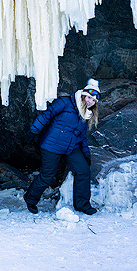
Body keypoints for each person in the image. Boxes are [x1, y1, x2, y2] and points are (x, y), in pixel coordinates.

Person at [23, 78, 100, 215]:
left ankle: (82, 205)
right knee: (48, 175)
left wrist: (86, 154)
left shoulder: (86, 115)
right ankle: (30, 199)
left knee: (83, 171)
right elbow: (47, 114)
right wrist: (34, 130)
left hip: (71, 147)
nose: (90, 102)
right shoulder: (65, 102)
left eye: (94, 100)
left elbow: (81, 136)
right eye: (89, 97)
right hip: (52, 145)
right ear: (83, 94)